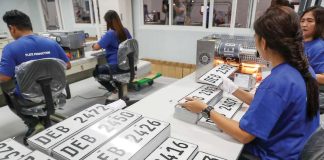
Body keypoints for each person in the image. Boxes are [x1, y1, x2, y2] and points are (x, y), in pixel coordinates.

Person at [180, 6, 319, 159]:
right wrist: (233, 89)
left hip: (272, 155)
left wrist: (205, 109)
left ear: (263, 42)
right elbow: (268, 104)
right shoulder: (304, 70)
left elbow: (244, 135)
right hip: (293, 148)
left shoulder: (278, 82)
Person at [0, 10, 71, 142]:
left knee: (7, 92)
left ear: (12, 28)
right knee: (42, 91)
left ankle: (33, 123)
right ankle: (48, 112)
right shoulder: (51, 43)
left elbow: (4, 77)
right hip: (54, 92)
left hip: (28, 98)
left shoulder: (11, 48)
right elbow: (67, 65)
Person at [92, 10, 132, 99]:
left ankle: (114, 91)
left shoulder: (109, 34)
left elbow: (96, 47)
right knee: (113, 72)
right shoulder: (125, 31)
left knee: (96, 72)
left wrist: (93, 45)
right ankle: (121, 91)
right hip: (128, 65)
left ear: (108, 21)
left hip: (116, 66)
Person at [300, 6, 324, 113]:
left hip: (312, 96)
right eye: (302, 20)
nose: (304, 24)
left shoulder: (320, 47)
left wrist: (302, 73)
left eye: (310, 21)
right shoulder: (299, 43)